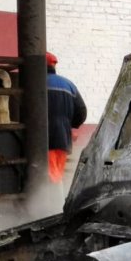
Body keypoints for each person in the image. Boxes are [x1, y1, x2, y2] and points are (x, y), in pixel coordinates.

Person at [47, 51, 87, 185]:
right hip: (63, 139)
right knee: (58, 174)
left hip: (45, 139)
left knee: (49, 177)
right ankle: (58, 204)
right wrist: (67, 125)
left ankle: (50, 204)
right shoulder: (69, 84)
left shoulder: (35, 84)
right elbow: (82, 112)